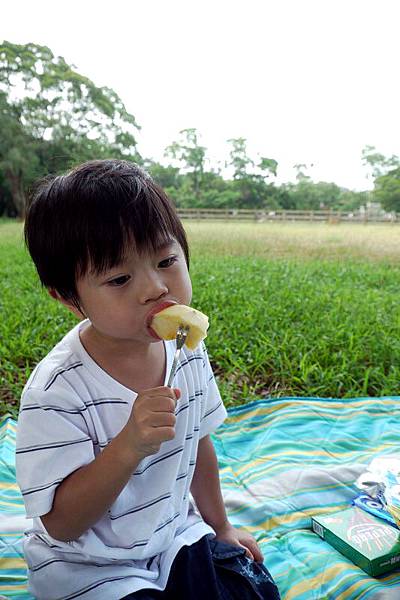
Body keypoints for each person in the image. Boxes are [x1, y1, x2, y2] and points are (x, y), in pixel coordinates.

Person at [16, 159, 280, 600]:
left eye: (166, 259)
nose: (156, 287)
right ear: (68, 298)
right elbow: (61, 524)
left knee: (251, 590)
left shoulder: (185, 347)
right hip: (88, 565)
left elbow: (198, 442)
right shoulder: (57, 391)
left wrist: (223, 526)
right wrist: (129, 445)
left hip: (172, 535)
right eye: (119, 278)